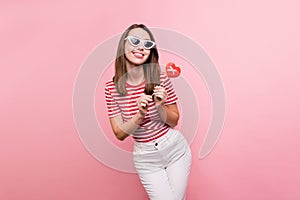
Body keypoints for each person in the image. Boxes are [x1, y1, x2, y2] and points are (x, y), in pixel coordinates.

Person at [105, 24, 192, 200]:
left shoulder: (160, 76)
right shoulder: (111, 89)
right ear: (123, 46)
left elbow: (174, 121)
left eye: (147, 44)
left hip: (175, 149)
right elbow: (119, 133)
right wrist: (139, 114)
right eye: (135, 41)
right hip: (147, 160)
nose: (141, 48)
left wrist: (159, 106)